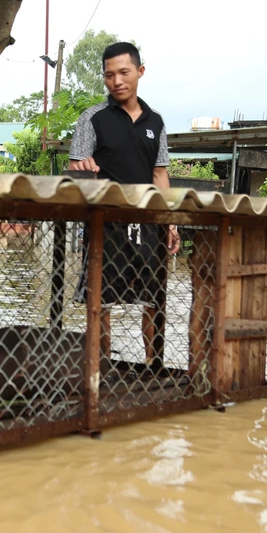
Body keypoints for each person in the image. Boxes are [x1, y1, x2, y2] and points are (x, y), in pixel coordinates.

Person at [68, 42, 179, 369]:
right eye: (109, 75)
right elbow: (77, 171)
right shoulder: (92, 119)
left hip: (147, 224)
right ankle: (100, 367)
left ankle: (152, 366)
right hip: (105, 223)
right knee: (100, 301)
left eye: (124, 73)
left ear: (140, 72)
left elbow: (160, 175)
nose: (116, 81)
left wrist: (170, 223)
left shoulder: (155, 122)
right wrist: (82, 167)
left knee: (153, 300)